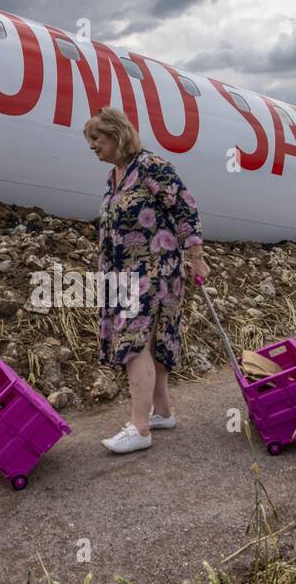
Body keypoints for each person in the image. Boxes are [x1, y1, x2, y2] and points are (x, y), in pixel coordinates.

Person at [85, 106, 210, 454]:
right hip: (124, 272)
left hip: (152, 270)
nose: (92, 146)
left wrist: (196, 257)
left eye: (97, 138)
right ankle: (163, 413)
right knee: (150, 341)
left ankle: (140, 428)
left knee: (134, 342)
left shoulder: (150, 166)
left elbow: (185, 208)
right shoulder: (116, 176)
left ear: (117, 133)